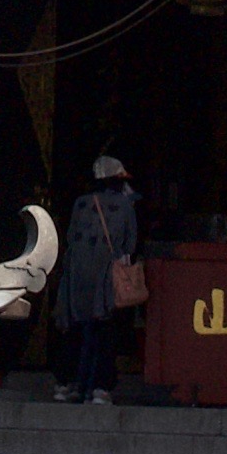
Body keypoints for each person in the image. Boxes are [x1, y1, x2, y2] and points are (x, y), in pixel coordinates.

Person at [52, 155, 141, 404]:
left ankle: (66, 382)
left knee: (74, 328)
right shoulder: (124, 206)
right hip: (106, 276)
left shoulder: (80, 204)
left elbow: (70, 235)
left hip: (77, 274)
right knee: (104, 330)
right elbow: (130, 243)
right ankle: (100, 387)